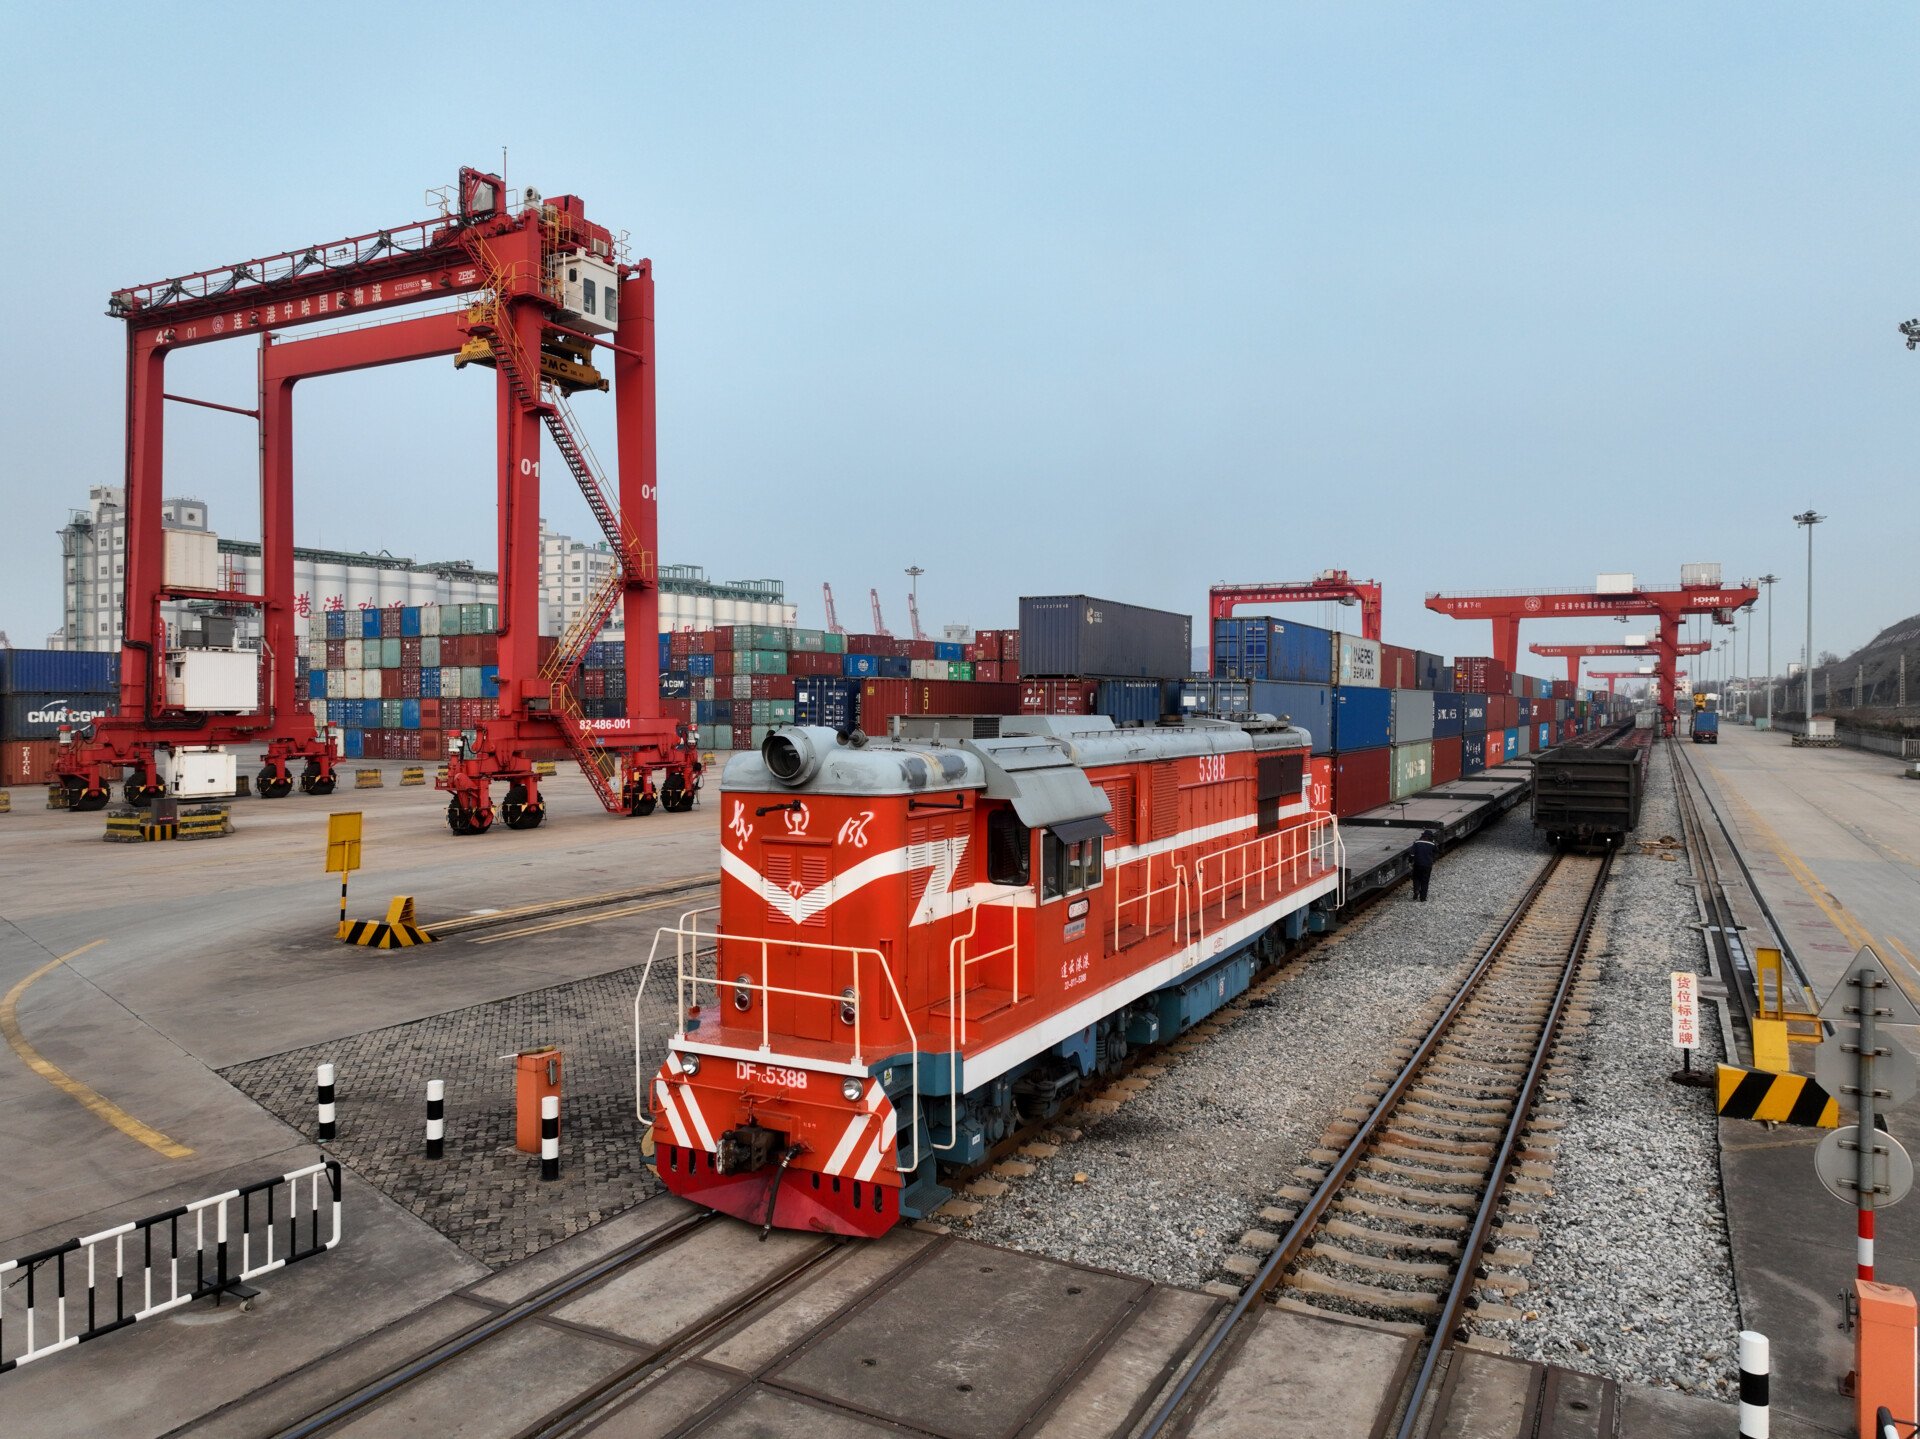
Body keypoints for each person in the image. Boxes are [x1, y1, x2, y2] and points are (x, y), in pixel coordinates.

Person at [1410, 829, 1438, 902]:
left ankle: (1416, 890)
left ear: (1423, 836)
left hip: (1417, 864)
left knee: (1416, 878)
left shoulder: (1416, 842)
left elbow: (1412, 854)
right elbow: (1436, 853)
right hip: (1427, 865)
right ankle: (1423, 898)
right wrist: (1432, 859)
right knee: (1425, 881)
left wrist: (1411, 861)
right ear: (1430, 837)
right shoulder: (1432, 844)